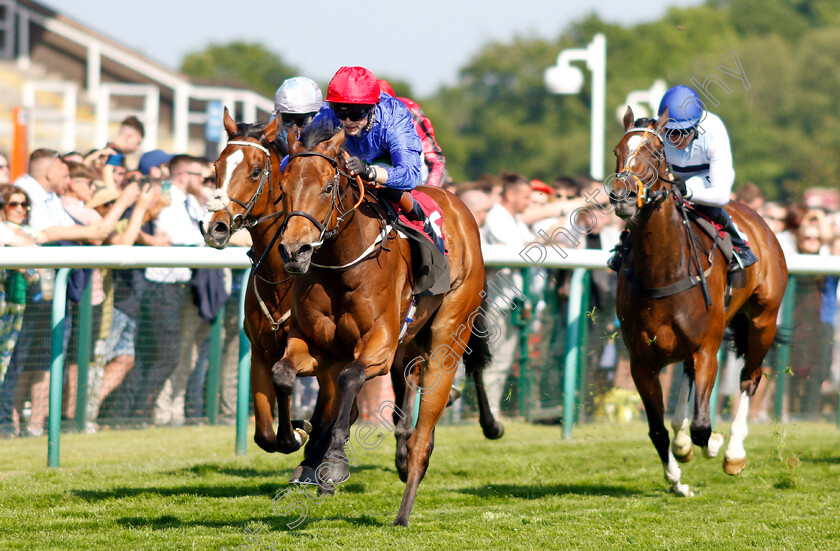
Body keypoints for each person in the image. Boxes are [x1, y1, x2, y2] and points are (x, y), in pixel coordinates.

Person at [608, 85, 757, 272]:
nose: (677, 138)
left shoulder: (714, 130)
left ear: (696, 125)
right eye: (671, 132)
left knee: (699, 196)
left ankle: (738, 244)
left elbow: (721, 196)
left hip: (707, 178)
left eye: (684, 132)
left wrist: (688, 191)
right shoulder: (655, 130)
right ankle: (625, 245)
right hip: (672, 177)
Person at [309, 66, 443, 254]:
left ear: (372, 106)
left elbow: (410, 175)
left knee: (383, 180)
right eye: (340, 112)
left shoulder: (394, 115)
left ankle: (424, 227)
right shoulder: (325, 115)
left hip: (387, 165)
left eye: (356, 114)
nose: (347, 121)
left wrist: (369, 172)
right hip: (347, 167)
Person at [481, 172, 534, 417]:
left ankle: (491, 408)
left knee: (502, 360)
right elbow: (519, 250)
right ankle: (483, 408)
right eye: (525, 197)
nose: (529, 202)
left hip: (510, 301)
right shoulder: (496, 217)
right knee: (490, 357)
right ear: (510, 195)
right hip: (493, 299)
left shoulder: (517, 221)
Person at [378, 79, 448, 187]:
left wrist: (430, 192)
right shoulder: (351, 117)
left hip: (415, 179)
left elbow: (435, 160)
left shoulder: (408, 112)